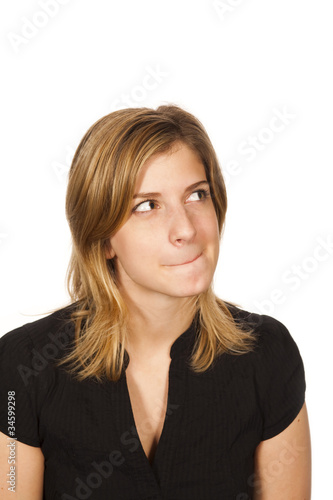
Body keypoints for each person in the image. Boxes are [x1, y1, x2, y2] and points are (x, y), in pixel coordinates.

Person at [0, 104, 311, 499]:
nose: (186, 229)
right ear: (103, 237)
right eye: (147, 205)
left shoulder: (268, 355)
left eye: (197, 195)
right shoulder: (22, 368)